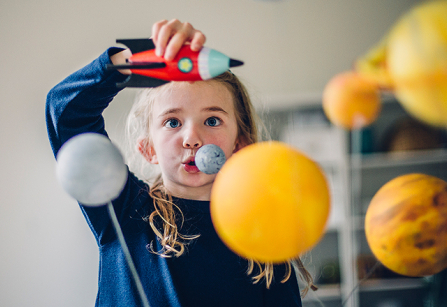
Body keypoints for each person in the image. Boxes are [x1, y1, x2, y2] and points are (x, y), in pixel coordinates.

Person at [46, 19, 314, 307]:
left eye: (212, 121)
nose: (192, 138)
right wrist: (133, 62)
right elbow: (65, 113)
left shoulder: (266, 238)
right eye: (172, 122)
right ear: (149, 149)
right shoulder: (126, 210)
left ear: (240, 144)